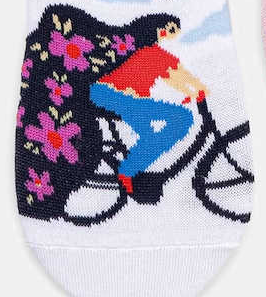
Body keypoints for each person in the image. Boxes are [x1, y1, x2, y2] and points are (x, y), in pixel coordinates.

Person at [89, 17, 208, 196]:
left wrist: (195, 90)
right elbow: (176, 75)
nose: (173, 35)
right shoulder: (150, 52)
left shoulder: (152, 53)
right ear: (160, 29)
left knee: (152, 132)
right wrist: (198, 90)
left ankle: (135, 173)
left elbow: (175, 77)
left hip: (112, 95)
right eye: (171, 30)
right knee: (181, 119)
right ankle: (127, 171)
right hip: (113, 95)